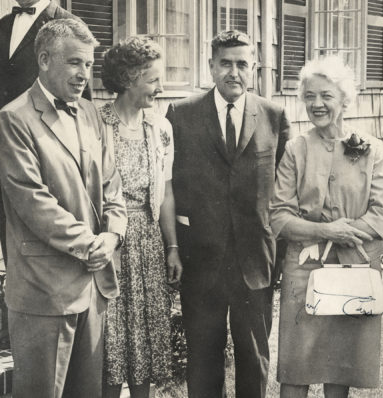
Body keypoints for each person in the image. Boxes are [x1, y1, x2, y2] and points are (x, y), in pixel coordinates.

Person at [0, 18, 127, 398]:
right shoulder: (13, 119)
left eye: (88, 65)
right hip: (43, 290)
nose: (83, 74)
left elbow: (112, 184)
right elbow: (32, 201)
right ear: (43, 59)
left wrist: (113, 234)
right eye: (74, 63)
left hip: (93, 285)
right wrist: (93, 245)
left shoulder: (90, 112)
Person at [166, 30, 291, 398]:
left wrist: (278, 256)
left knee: (254, 359)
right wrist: (174, 247)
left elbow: (284, 194)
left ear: (253, 68)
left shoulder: (273, 115)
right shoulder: (182, 114)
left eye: (241, 64)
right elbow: (168, 184)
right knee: (203, 359)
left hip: (255, 260)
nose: (233, 72)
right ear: (211, 66)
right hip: (201, 260)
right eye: (225, 64)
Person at [270, 55, 383, 398]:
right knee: (296, 366)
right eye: (309, 96)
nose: (316, 104)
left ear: (344, 99)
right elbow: (279, 215)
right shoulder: (296, 150)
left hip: (354, 266)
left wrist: (346, 232)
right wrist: (326, 231)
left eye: (325, 95)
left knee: (338, 365)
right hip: (304, 269)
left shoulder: (372, 150)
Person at [100, 37, 183, 398]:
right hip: (109, 243)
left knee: (146, 345)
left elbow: (164, 195)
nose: (160, 87)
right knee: (110, 340)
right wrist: (107, 242)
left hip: (149, 244)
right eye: (152, 80)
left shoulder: (160, 128)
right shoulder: (96, 122)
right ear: (128, 78)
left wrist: (173, 247)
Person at [0, 0, 91, 264]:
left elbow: (78, 97)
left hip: (39, 151)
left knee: (36, 242)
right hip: (2, 148)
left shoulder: (67, 24)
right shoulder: (4, 25)